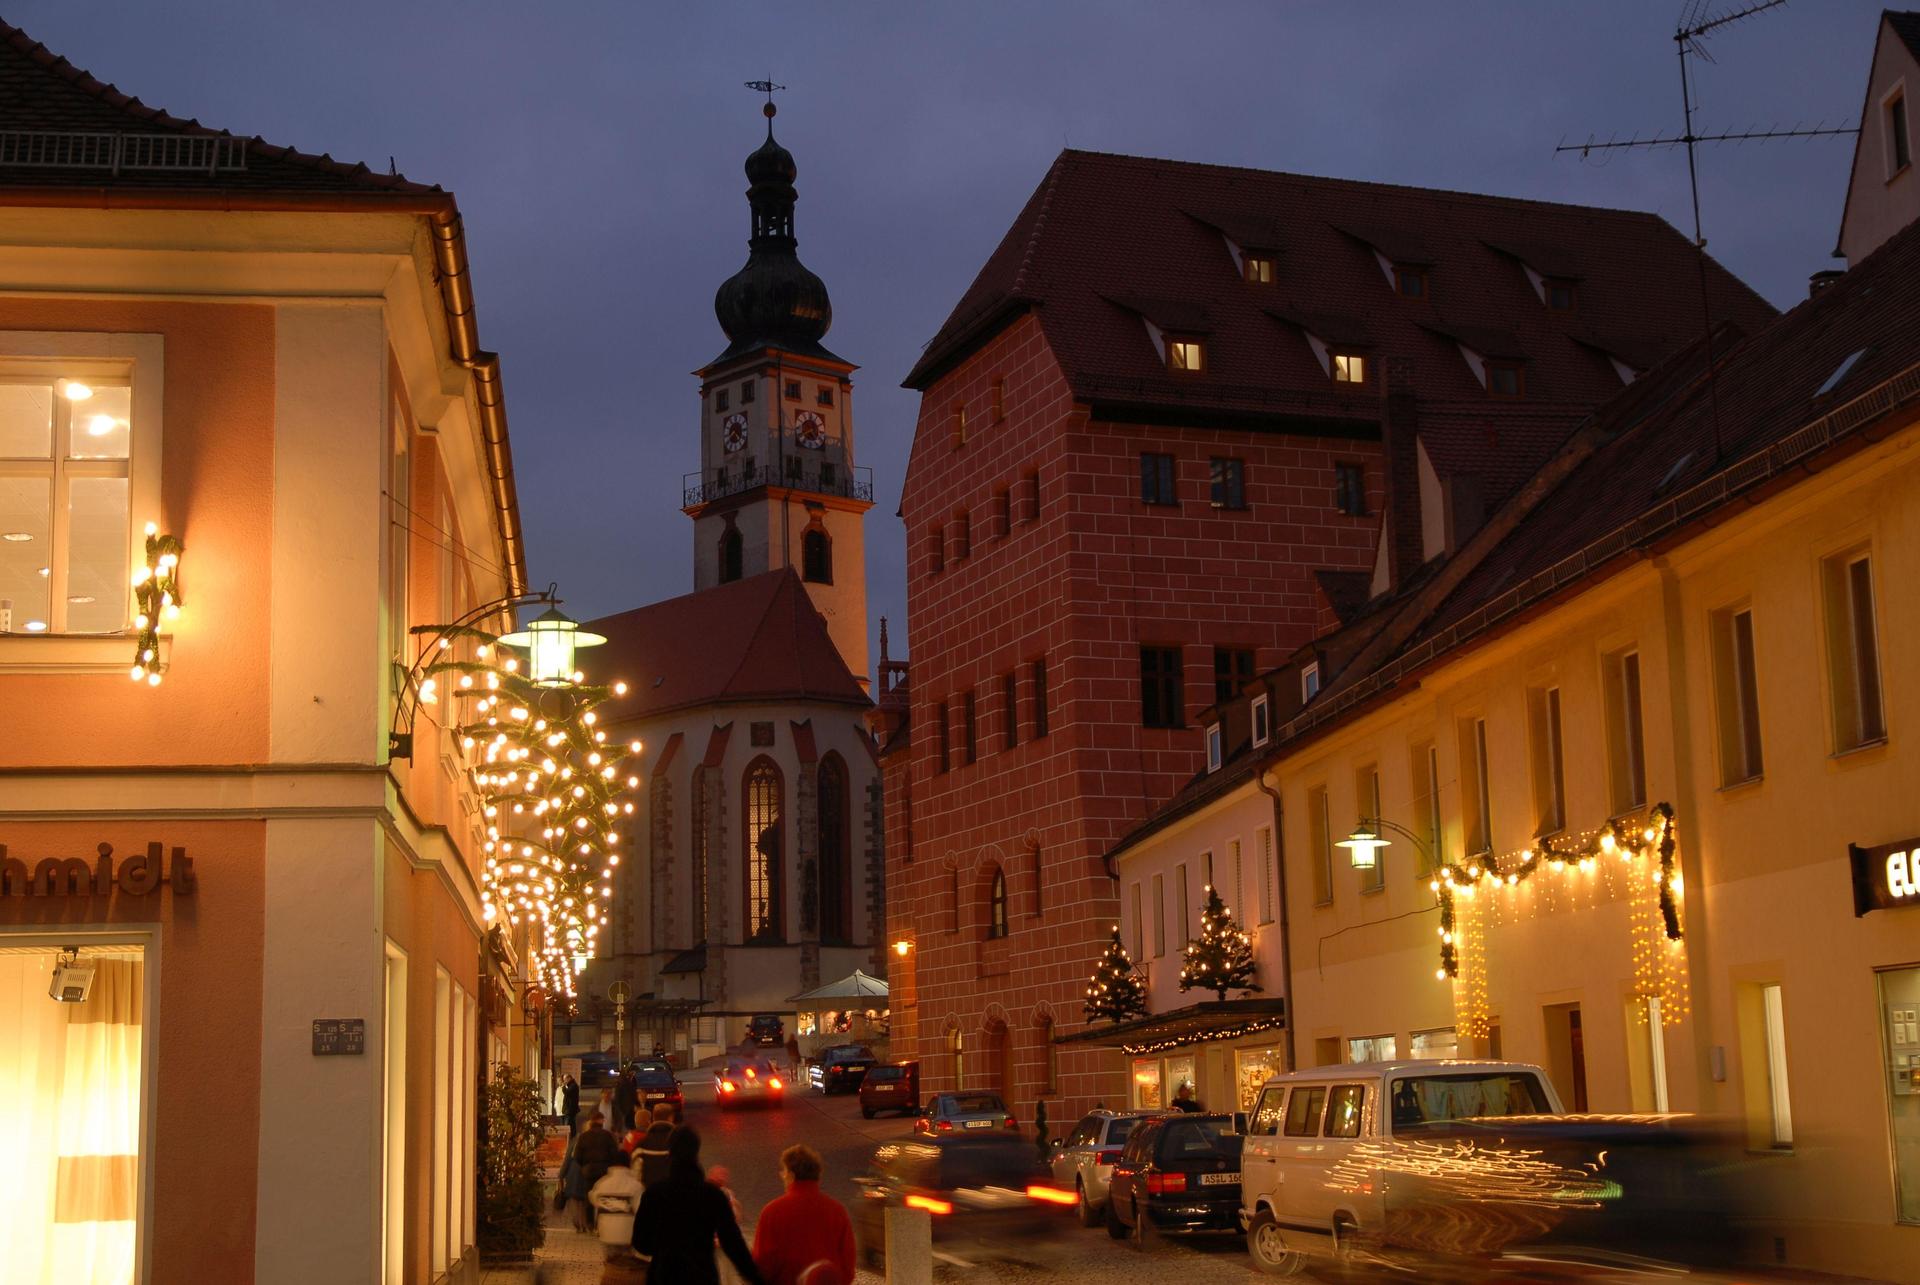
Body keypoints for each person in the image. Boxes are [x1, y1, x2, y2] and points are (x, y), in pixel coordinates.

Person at [632, 1126, 765, 1285]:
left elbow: (641, 1242)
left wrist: (665, 1249)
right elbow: (733, 1243)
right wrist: (756, 1278)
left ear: (670, 1152)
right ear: (696, 1152)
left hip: (664, 1276)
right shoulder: (712, 1195)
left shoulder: (655, 1193)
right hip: (702, 1276)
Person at [751, 1144, 855, 1285]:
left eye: (784, 1171)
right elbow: (847, 1260)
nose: (781, 1175)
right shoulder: (837, 1210)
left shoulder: (772, 1211)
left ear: (791, 1175)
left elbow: (763, 1260)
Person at [566, 1112, 621, 1230]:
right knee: (603, 1198)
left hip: (589, 1171)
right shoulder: (608, 1136)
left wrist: (585, 1165)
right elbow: (614, 1154)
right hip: (604, 1171)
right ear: (602, 1121)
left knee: (589, 1198)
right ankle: (601, 1224)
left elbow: (577, 1156)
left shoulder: (584, 1136)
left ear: (591, 1121)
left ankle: (590, 1224)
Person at [591, 1150, 645, 1258]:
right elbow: (641, 1212)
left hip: (606, 1234)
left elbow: (593, 1199)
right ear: (628, 1164)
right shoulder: (636, 1185)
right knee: (626, 1266)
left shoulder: (601, 1183)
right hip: (628, 1235)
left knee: (611, 1267)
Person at [636, 1102, 676, 1188]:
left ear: (653, 1118)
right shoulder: (679, 1143)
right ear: (670, 1118)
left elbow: (636, 1172)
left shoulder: (642, 1143)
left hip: (649, 1194)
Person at [614, 1066, 639, 1134]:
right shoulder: (624, 1082)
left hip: (629, 1108)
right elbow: (619, 1097)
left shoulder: (631, 1080)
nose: (634, 1074)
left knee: (629, 1126)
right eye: (633, 1072)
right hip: (626, 1109)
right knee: (626, 1126)